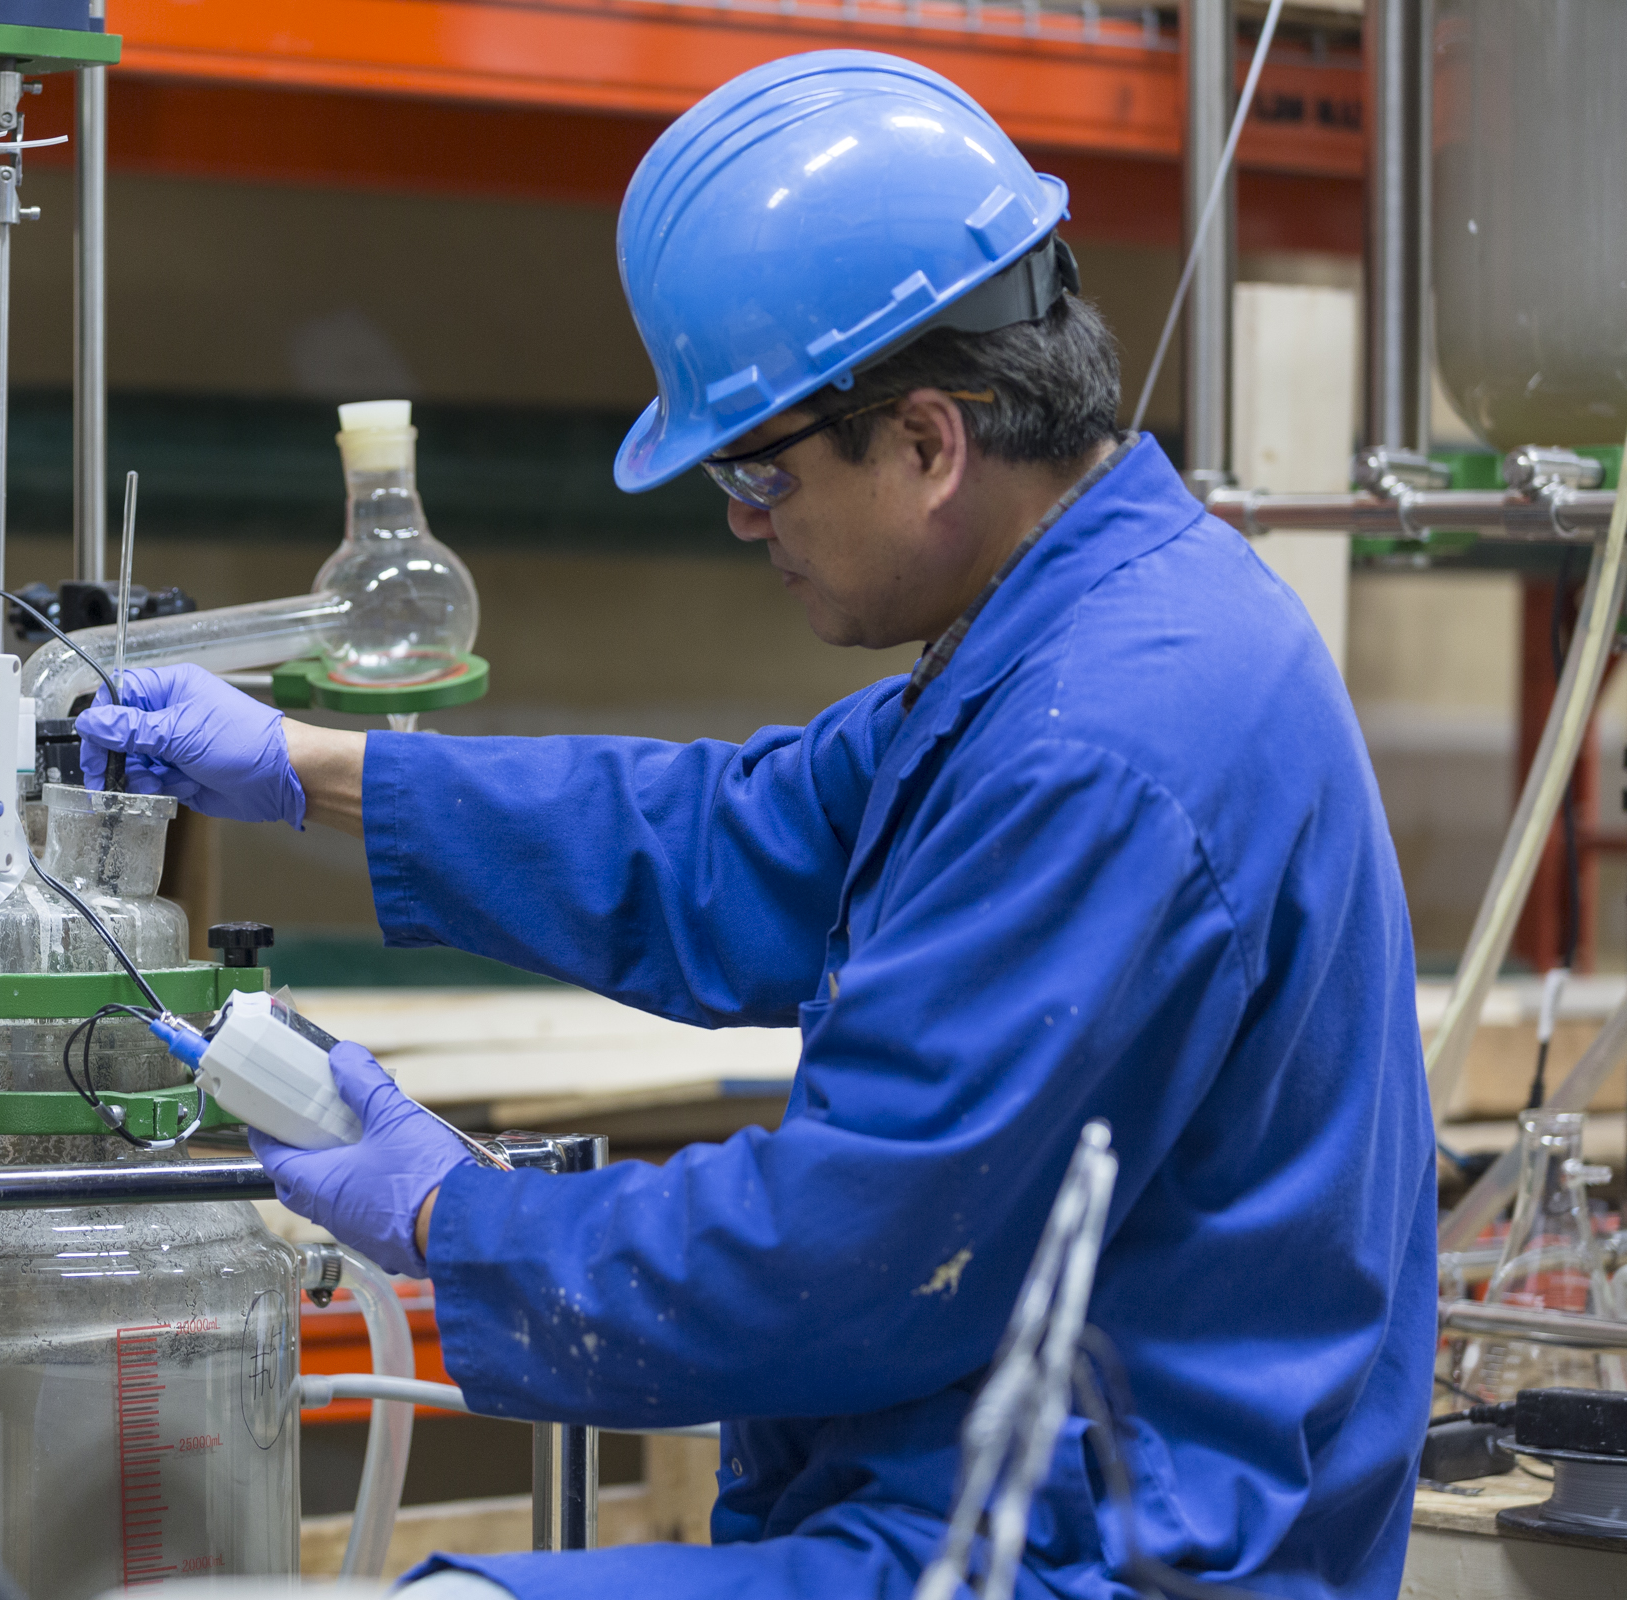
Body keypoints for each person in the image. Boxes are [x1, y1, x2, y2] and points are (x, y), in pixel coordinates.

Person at [76, 49, 1435, 1600]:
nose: (739, 518)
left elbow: (851, 1253)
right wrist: (312, 768)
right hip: (981, 1486)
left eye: (756, 468)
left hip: (1089, 1555)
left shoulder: (1105, 742)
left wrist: (459, 1219)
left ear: (927, 442)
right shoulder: (1066, 640)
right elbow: (727, 846)